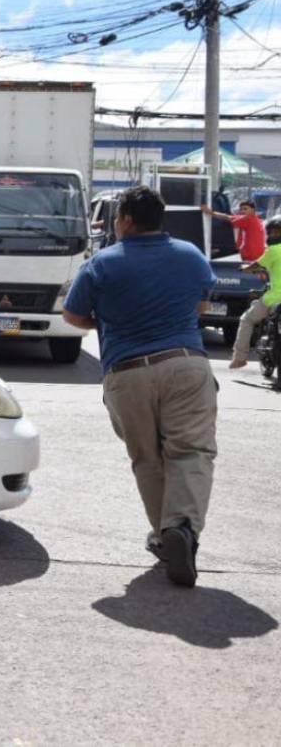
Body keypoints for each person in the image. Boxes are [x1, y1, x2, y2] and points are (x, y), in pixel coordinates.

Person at [62, 185, 217, 588]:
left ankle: (168, 537)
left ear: (127, 220)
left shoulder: (103, 263)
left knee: (147, 458)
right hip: (186, 363)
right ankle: (181, 527)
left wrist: (112, 322)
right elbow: (201, 306)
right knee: (190, 452)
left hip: (127, 370)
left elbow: (73, 316)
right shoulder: (190, 255)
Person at [228, 215, 281, 370]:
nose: (272, 235)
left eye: (275, 232)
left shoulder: (273, 250)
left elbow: (257, 264)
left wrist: (244, 268)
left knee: (246, 319)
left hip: (275, 298)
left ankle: (239, 358)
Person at [201, 199, 267, 262]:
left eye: (245, 209)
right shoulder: (257, 220)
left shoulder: (248, 219)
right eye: (241, 209)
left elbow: (227, 217)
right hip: (259, 255)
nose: (242, 211)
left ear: (253, 210)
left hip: (251, 256)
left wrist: (210, 212)